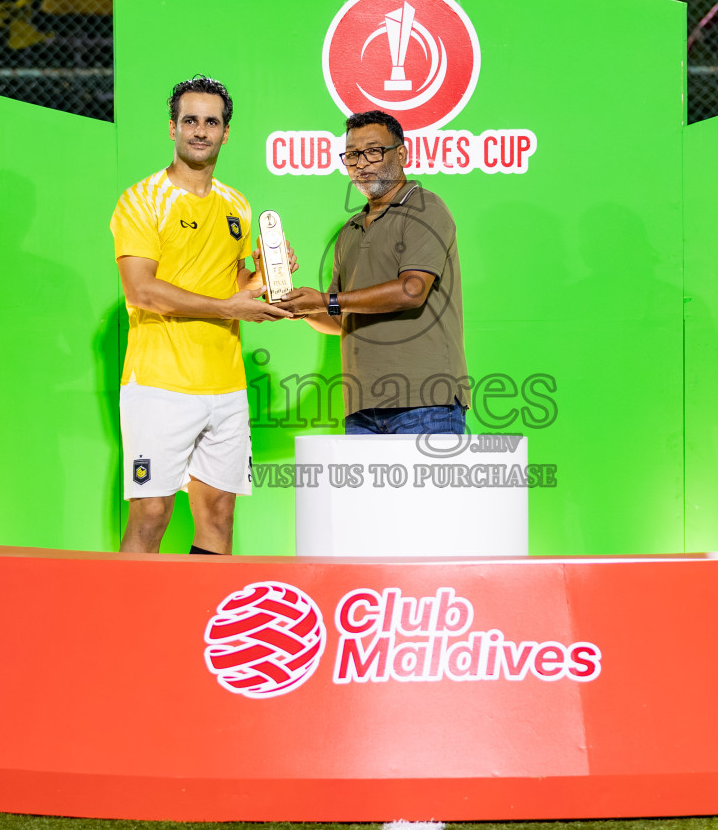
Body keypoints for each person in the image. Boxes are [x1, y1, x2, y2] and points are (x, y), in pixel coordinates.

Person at [111, 76, 292, 554]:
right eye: (190, 120)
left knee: (218, 516)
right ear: (172, 127)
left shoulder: (237, 204)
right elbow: (141, 289)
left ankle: (203, 609)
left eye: (211, 122)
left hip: (226, 386)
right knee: (151, 515)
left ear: (225, 133)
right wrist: (229, 308)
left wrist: (263, 278)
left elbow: (230, 282)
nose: (200, 130)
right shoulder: (142, 200)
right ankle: (125, 607)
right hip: (159, 384)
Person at [283, 110, 469, 435]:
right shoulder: (350, 230)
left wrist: (326, 300)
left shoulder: (425, 209)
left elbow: (412, 290)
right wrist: (300, 308)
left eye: (373, 151)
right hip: (362, 408)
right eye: (352, 155)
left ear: (402, 154)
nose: (361, 163)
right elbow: (339, 318)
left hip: (425, 401)